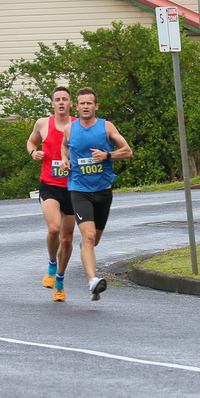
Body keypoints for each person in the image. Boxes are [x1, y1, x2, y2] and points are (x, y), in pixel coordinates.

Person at [61, 87, 133, 301]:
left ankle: (90, 266)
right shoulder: (69, 129)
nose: (85, 106)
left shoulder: (106, 127)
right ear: (77, 106)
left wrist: (107, 155)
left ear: (96, 106)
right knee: (88, 236)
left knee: (94, 240)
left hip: (103, 190)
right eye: (82, 103)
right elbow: (65, 147)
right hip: (79, 189)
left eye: (89, 103)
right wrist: (65, 159)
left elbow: (128, 151)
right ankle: (93, 281)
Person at [26, 86, 76, 302]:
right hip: (49, 184)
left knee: (67, 240)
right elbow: (31, 142)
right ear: (53, 104)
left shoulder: (78, 125)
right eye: (58, 99)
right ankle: (51, 264)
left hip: (73, 187)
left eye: (65, 99)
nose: (62, 102)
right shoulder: (42, 123)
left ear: (71, 104)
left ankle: (61, 281)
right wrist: (33, 153)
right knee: (54, 229)